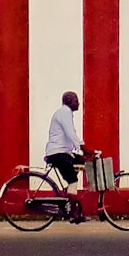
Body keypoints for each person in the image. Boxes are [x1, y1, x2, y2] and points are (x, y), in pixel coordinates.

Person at [44, 91, 91, 224]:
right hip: (58, 153)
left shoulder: (65, 113)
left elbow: (70, 135)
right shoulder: (64, 112)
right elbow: (70, 133)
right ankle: (73, 214)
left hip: (61, 152)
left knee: (77, 166)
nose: (79, 103)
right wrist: (83, 148)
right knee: (73, 180)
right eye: (76, 100)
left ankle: (70, 200)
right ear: (69, 101)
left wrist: (80, 152)